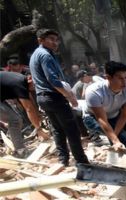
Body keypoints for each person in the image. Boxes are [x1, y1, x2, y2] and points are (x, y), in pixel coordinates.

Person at [29, 28, 89, 166]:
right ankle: (81, 161)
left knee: (58, 129)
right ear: (41, 40)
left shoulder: (36, 54)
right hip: (53, 97)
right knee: (72, 129)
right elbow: (53, 80)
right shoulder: (45, 55)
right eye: (51, 39)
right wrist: (69, 96)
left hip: (43, 98)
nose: (55, 43)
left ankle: (63, 159)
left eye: (57, 40)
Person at [85, 61, 126, 150]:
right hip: (93, 117)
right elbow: (102, 119)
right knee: (123, 139)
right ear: (108, 77)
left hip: (114, 115)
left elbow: (125, 115)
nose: (124, 82)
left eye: (125, 78)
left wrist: (115, 134)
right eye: (120, 78)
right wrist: (115, 140)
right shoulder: (94, 92)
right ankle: (123, 162)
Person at [0, 72, 49, 157]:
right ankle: (20, 151)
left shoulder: (23, 80)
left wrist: (37, 114)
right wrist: (39, 129)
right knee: (15, 120)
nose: (35, 88)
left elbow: (29, 99)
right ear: (30, 79)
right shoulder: (19, 84)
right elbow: (29, 108)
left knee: (15, 119)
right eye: (35, 85)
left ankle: (19, 148)